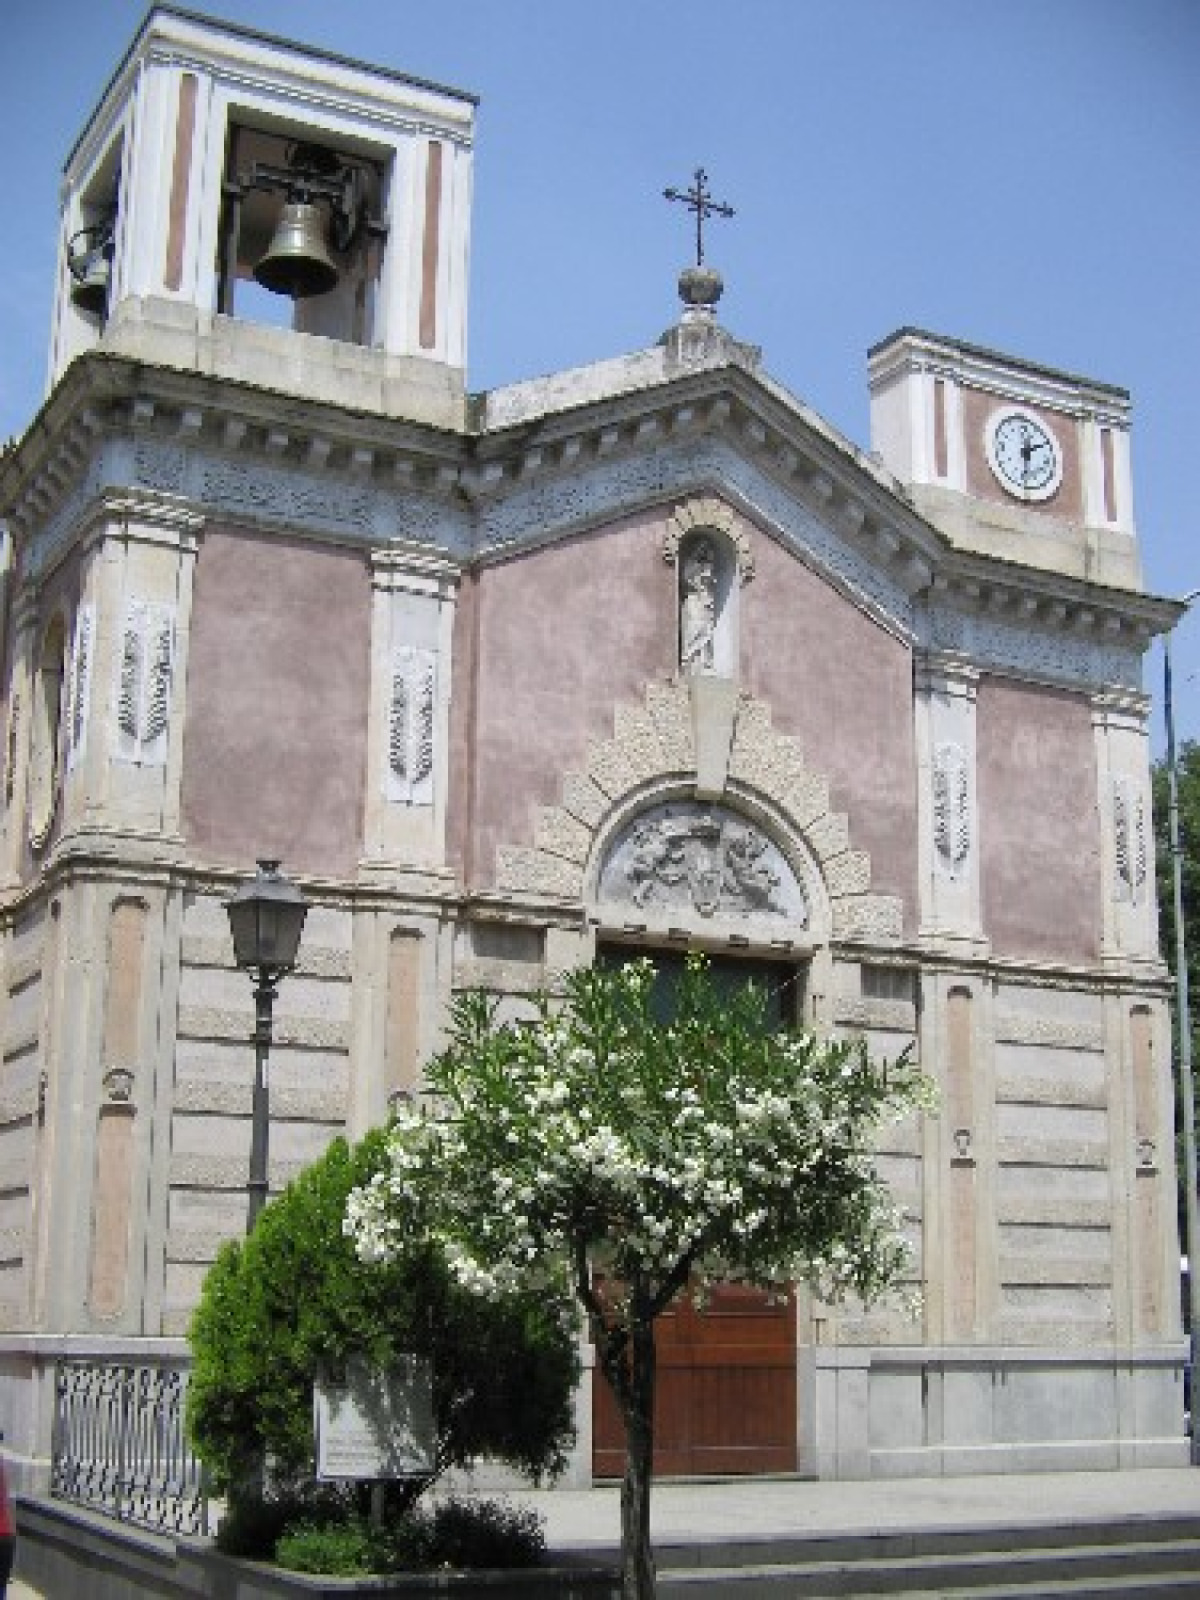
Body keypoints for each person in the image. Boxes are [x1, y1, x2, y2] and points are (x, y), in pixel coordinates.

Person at [680, 538, 717, 671]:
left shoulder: (709, 568)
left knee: (707, 631)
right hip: (694, 599)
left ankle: (704, 663)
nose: (707, 554)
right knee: (694, 626)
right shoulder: (691, 564)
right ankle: (688, 658)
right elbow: (686, 578)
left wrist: (709, 581)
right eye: (704, 550)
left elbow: (711, 585)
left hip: (705, 601)